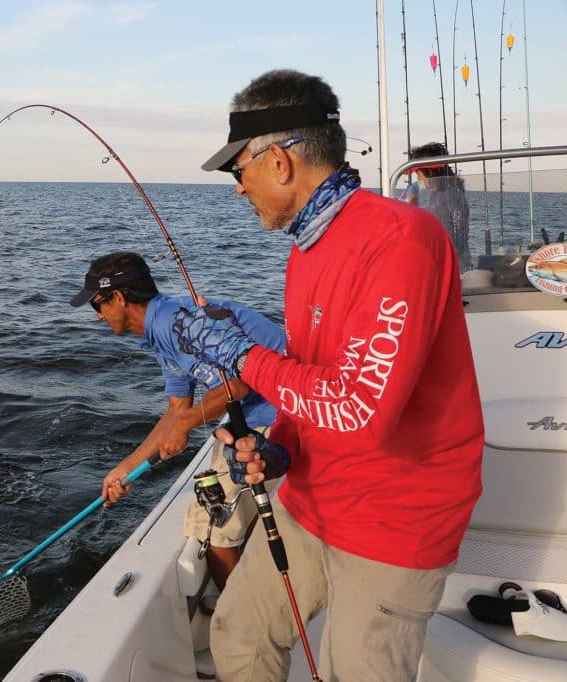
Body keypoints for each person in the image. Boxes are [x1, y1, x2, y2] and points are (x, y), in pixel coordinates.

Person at [184, 69, 485, 680]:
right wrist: (280, 449)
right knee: (238, 632)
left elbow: (361, 413)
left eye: (237, 170)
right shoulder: (306, 252)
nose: (238, 189)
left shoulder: (402, 237)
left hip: (395, 519)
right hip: (314, 498)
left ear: (280, 162)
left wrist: (242, 355)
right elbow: (310, 377)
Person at [68, 251, 286, 590]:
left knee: (210, 523)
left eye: (98, 306)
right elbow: (176, 410)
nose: (97, 317)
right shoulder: (161, 329)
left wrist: (184, 426)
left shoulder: (177, 322)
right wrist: (126, 467)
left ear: (120, 298)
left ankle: (239, 620)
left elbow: (241, 382)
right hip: (255, 418)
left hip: (281, 415)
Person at [404, 141, 472, 272]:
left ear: (429, 171)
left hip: (451, 266)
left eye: (419, 174)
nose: (419, 180)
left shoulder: (453, 194)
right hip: (437, 262)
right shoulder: (434, 194)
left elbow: (458, 235)